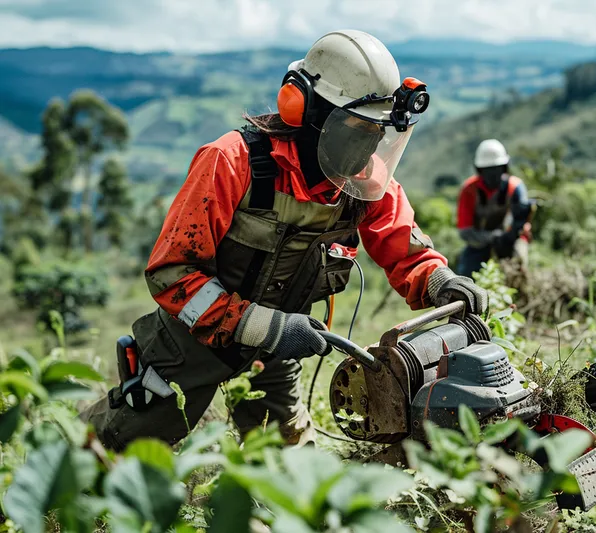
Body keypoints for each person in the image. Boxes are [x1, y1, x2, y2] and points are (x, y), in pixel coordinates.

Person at [82, 30, 488, 451]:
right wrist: (261, 325)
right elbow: (171, 273)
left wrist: (439, 280)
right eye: (357, 130)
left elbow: (403, 247)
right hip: (193, 343)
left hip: (279, 348)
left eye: (377, 133)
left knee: (289, 468)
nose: (369, 148)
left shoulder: (364, 182)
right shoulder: (232, 162)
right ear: (307, 111)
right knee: (114, 448)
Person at [455, 139, 532, 277]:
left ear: (504, 168)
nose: (493, 175)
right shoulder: (469, 190)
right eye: (488, 170)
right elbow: (465, 231)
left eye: (497, 169)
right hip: (480, 240)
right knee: (467, 274)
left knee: (518, 267)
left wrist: (510, 235)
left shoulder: (515, 188)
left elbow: (522, 223)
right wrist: (492, 237)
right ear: (480, 170)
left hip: (511, 239)